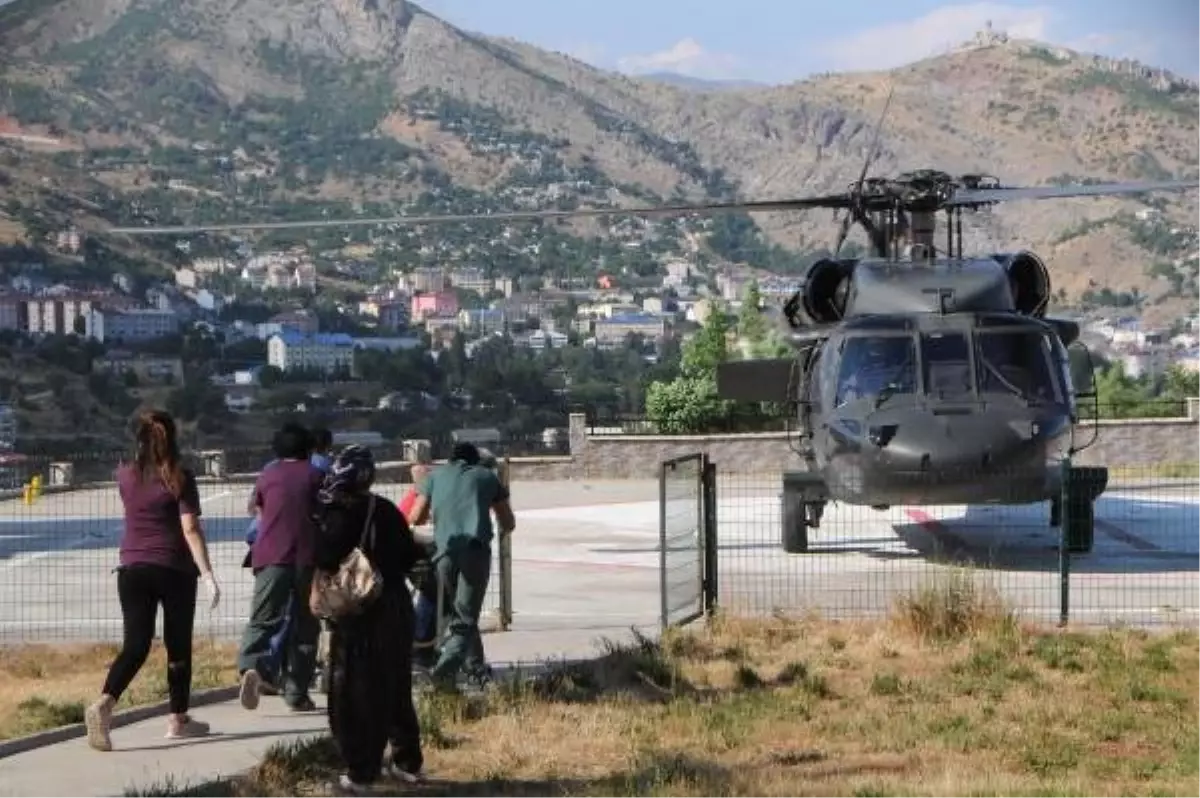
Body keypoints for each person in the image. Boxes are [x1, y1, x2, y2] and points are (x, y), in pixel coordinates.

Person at [85, 409, 221, 751]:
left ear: (139, 441)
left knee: (135, 645)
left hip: (131, 569)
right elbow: (190, 528)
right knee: (178, 648)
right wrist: (207, 574)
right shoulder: (180, 477)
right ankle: (178, 719)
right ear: (172, 439)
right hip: (174, 569)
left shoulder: (124, 476)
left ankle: (105, 703)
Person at [313, 445, 425, 793]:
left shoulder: (336, 514)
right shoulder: (387, 510)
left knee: (354, 693)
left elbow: (323, 558)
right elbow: (409, 555)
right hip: (395, 603)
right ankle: (407, 762)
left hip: (359, 611)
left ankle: (362, 772)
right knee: (395, 685)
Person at [408, 442, 515, 692]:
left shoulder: (435, 477)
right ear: (475, 461)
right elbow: (507, 521)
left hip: (443, 554)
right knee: (466, 618)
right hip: (474, 554)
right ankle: (444, 674)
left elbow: (416, 517)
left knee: (456, 614)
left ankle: (475, 667)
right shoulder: (486, 476)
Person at [237, 422, 324, 713]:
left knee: (263, 619)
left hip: (270, 555)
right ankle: (297, 691)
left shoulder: (267, 475)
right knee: (306, 626)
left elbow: (256, 508)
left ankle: (250, 667)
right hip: (307, 559)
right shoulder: (317, 475)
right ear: (308, 448)